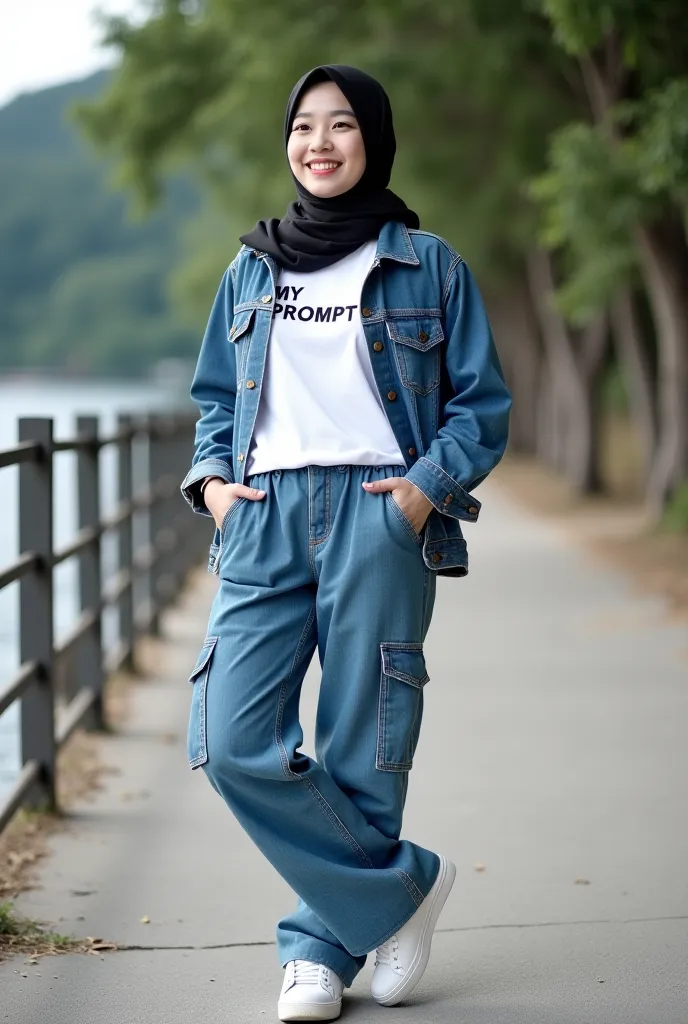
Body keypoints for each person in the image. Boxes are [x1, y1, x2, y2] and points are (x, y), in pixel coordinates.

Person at [181, 64, 511, 1022]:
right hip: (265, 512)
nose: (318, 143)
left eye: (340, 126)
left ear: (374, 139)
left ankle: (317, 953)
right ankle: (399, 892)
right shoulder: (252, 267)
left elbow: (480, 406)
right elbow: (214, 400)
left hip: (379, 505)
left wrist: (420, 494)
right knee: (232, 739)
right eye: (302, 127)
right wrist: (210, 483)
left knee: (364, 741)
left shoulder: (429, 263)